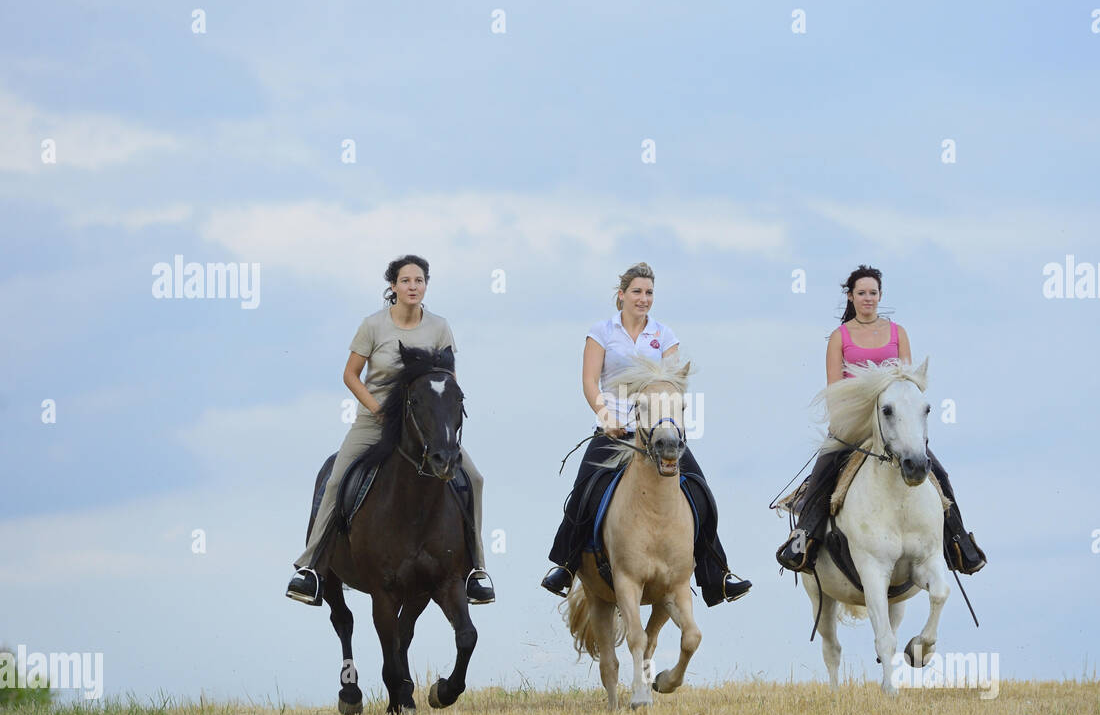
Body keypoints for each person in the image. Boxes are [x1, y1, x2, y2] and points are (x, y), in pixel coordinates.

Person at [286, 254, 495, 606]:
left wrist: (444, 418)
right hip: (376, 420)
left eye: (419, 280)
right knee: (336, 480)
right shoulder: (373, 326)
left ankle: (475, 569)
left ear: (426, 285)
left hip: (424, 425)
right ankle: (311, 568)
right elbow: (350, 375)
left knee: (473, 478)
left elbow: (448, 378)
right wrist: (377, 409)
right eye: (405, 281)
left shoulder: (440, 327)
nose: (413, 286)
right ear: (393, 286)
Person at [541, 262, 751, 606]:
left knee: (700, 492)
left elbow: (672, 382)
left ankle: (718, 575)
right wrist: (605, 416)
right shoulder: (601, 333)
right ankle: (564, 566)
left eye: (649, 292)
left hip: (657, 432)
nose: (643, 298)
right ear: (621, 295)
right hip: (614, 429)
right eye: (637, 292)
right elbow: (589, 382)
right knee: (583, 492)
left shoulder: (665, 335)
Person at [775, 264, 986, 574]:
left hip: (894, 428)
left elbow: (907, 384)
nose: (868, 298)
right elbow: (834, 389)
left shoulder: (897, 333)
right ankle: (803, 539)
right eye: (861, 293)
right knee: (824, 472)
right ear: (851, 297)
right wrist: (844, 423)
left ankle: (958, 543)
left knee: (938, 473)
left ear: (880, 295)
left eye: (873, 293)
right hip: (854, 427)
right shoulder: (839, 337)